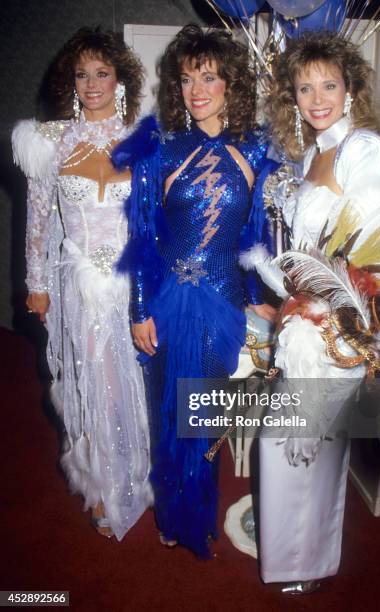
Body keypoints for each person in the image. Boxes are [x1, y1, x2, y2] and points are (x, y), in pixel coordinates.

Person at [242, 31, 380, 593]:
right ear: (291, 98)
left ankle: (305, 563)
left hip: (340, 323)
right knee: (295, 442)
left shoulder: (362, 149)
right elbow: (306, 251)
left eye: (329, 84)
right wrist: (284, 305)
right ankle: (296, 556)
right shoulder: (315, 153)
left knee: (302, 444)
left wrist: (326, 310)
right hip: (304, 320)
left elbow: (369, 248)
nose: (317, 98)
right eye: (304, 88)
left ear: (350, 89)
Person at [113, 24, 275, 557]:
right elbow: (141, 236)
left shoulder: (256, 150)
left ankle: (199, 511)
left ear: (231, 83)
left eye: (208, 77)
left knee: (204, 419)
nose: (196, 90)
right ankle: (170, 511)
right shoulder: (157, 148)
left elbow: (254, 238)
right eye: (186, 79)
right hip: (166, 301)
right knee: (167, 415)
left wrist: (257, 295)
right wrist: (139, 307)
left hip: (223, 302)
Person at [12, 27, 152, 540]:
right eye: (81, 74)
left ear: (120, 80)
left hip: (129, 281)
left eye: (102, 73)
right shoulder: (49, 140)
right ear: (71, 82)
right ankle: (99, 486)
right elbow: (38, 221)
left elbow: (151, 221)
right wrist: (36, 282)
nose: (91, 84)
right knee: (88, 378)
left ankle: (133, 473)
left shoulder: (144, 138)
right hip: (74, 279)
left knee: (128, 381)